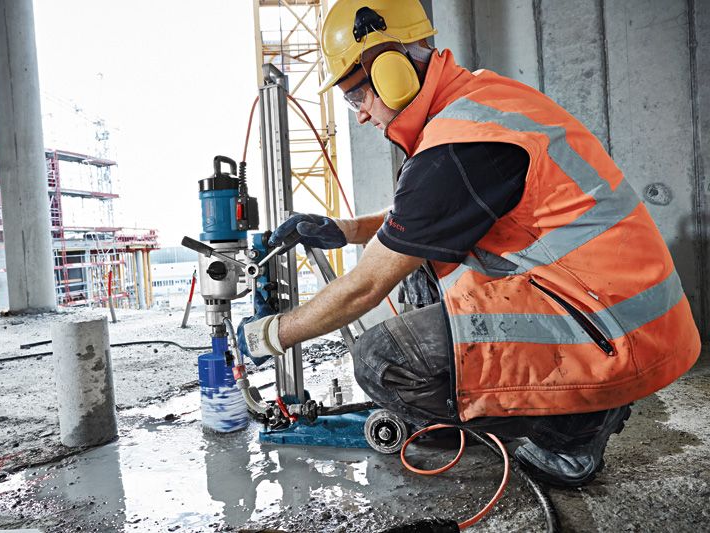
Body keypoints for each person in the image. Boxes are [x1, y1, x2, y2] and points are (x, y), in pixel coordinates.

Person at [238, 0, 700, 487]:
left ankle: (575, 427)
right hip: (615, 311)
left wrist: (268, 335)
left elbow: (365, 286)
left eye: (357, 97)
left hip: (616, 335)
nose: (360, 116)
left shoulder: (459, 144)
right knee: (421, 268)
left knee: (380, 361)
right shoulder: (477, 102)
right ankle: (539, 406)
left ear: (391, 68)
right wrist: (346, 229)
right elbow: (422, 219)